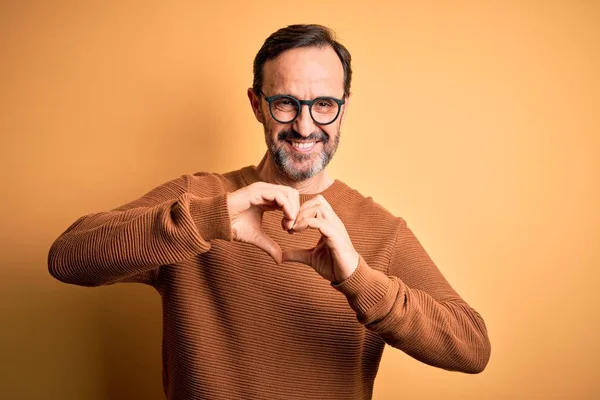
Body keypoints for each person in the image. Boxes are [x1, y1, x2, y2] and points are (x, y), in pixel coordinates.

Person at [48, 24, 491, 400]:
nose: (304, 125)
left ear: (344, 109)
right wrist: (209, 218)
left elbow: (471, 348)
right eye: (286, 103)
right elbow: (67, 257)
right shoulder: (199, 198)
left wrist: (356, 276)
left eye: (323, 105)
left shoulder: (382, 232)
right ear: (257, 104)